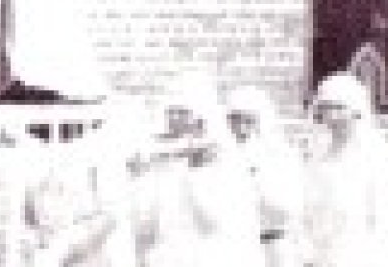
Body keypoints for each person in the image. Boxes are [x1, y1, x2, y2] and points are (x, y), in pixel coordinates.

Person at [131, 75, 263, 267]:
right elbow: (145, 221)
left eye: (183, 112)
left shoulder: (225, 158)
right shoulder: (160, 157)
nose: (174, 118)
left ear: (200, 117)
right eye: (171, 111)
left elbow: (219, 220)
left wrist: (196, 169)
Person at [303, 71, 388, 267]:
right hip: (322, 255)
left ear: (356, 110)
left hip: (359, 254)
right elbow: (308, 213)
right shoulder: (318, 158)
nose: (331, 115)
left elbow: (384, 225)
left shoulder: (379, 159)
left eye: (339, 107)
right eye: (325, 107)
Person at [22, 97, 138, 267]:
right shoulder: (31, 156)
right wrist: (31, 242)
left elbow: (110, 215)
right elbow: (26, 214)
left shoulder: (98, 154)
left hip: (86, 259)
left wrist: (64, 246)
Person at [225, 85, 305, 267]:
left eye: (247, 119)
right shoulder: (224, 155)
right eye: (234, 119)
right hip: (235, 246)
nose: (239, 126)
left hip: (272, 246)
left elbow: (290, 205)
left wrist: (256, 177)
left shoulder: (281, 155)